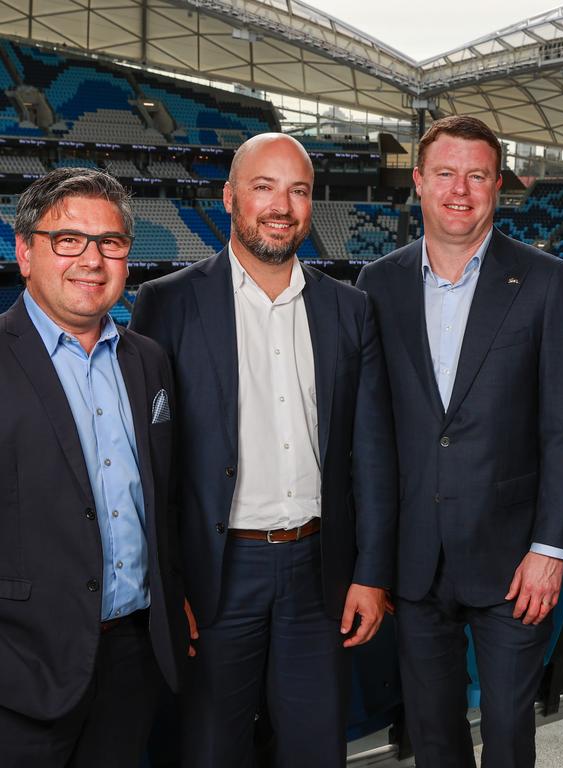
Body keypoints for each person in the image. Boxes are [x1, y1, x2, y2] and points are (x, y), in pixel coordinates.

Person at [131, 133, 397, 768]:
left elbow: (374, 456)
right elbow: (150, 463)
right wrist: (170, 583)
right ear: (229, 197)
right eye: (264, 187)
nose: (282, 205)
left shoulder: (350, 309)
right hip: (216, 575)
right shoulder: (166, 303)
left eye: (298, 191)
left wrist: (372, 573)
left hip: (318, 572)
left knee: (314, 752)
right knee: (210, 752)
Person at [356, 115, 563, 768]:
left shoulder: (547, 281)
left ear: (498, 186)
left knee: (510, 733)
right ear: (420, 183)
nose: (461, 190)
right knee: (433, 735)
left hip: (515, 561)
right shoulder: (378, 284)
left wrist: (550, 547)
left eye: (478, 176)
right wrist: (374, 564)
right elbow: (372, 435)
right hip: (415, 558)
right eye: (447, 174)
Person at [0, 168, 194, 766]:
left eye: (109, 242)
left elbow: (160, 497)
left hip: (131, 655)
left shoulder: (148, 361)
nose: (91, 259)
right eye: (68, 240)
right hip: (21, 667)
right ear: (24, 251)